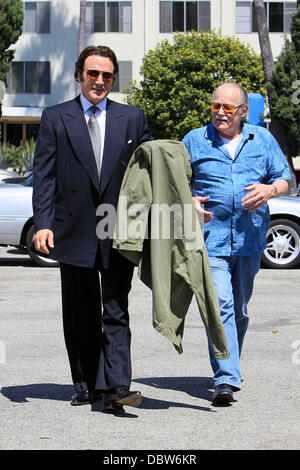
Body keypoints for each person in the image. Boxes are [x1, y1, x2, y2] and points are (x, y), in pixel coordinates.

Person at [32, 45, 152, 412]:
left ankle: (116, 386)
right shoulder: (56, 117)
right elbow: (44, 175)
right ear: (79, 75)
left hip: (118, 228)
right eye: (93, 74)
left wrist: (185, 200)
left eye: (107, 75)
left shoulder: (132, 118)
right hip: (73, 229)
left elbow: (151, 168)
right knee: (80, 313)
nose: (100, 81)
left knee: (116, 308)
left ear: (114, 78)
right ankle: (85, 384)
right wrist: (43, 224)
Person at [183, 82, 291, 405]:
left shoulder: (263, 140)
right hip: (211, 241)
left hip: (250, 240)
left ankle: (230, 363)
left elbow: (286, 179)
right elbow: (176, 182)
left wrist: (270, 191)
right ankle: (226, 378)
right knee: (221, 305)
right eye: (215, 106)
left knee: (240, 309)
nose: (219, 113)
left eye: (227, 108)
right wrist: (188, 202)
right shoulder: (194, 140)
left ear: (243, 112)